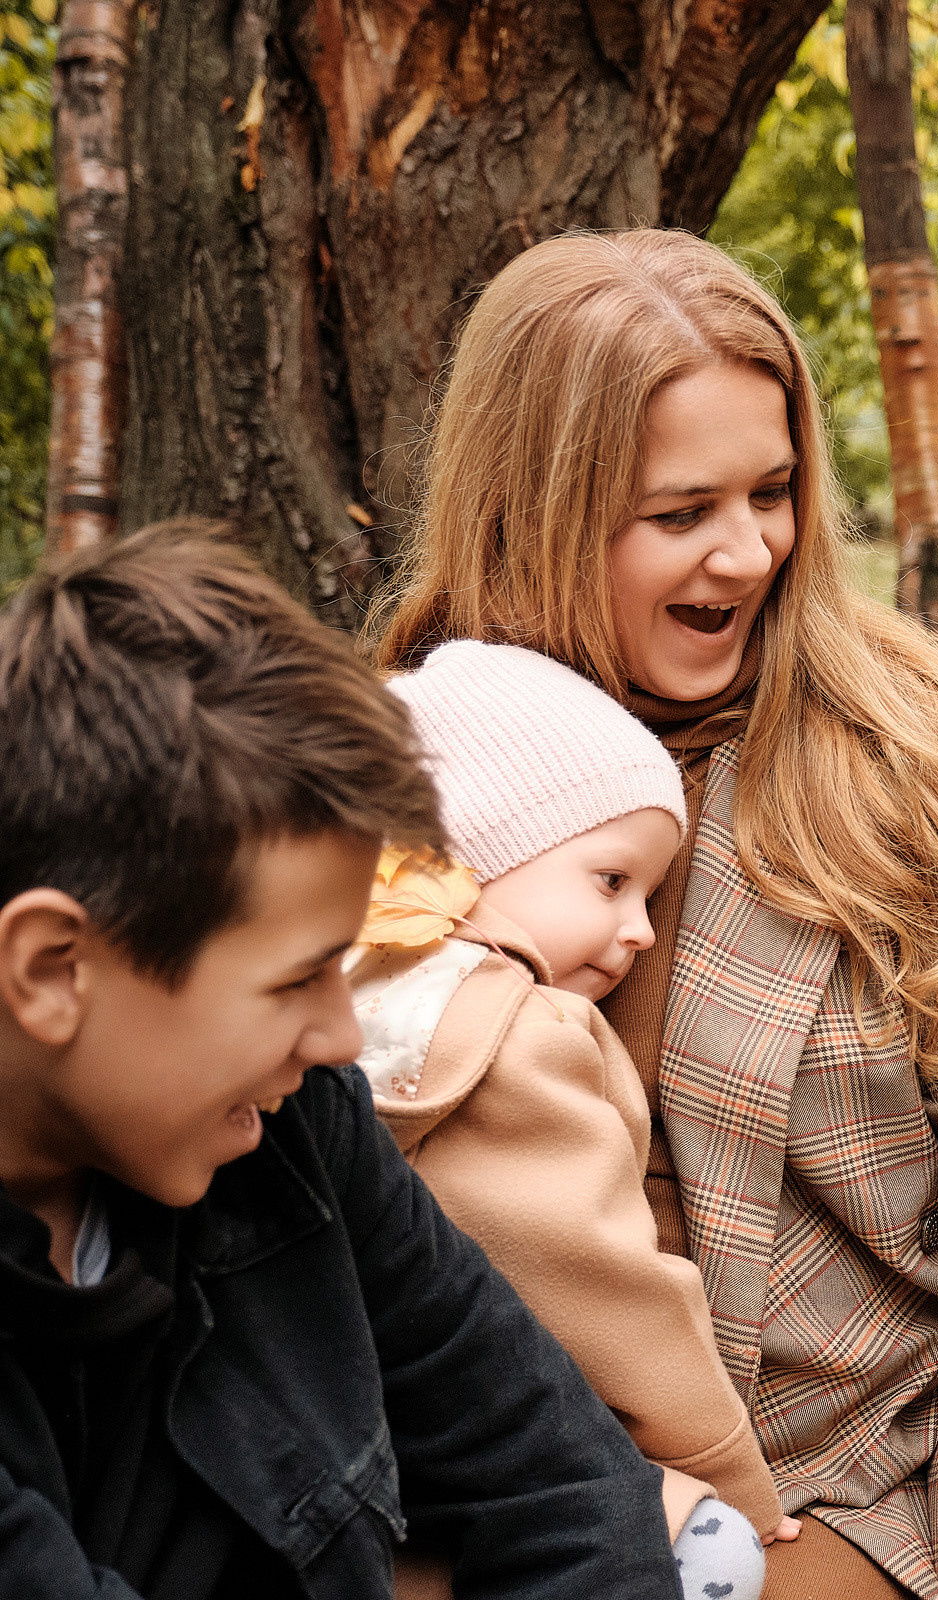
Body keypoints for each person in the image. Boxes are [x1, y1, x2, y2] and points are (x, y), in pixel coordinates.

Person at [366, 227, 938, 1600]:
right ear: (538, 506)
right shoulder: (394, 764)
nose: (751, 552)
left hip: (875, 1436)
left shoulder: (896, 729)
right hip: (523, 1461)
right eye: (681, 513)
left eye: (775, 491)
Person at [0, 523, 680, 1599]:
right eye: (295, 978)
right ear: (49, 970)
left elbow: (565, 1481)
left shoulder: (293, 1126)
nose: (342, 1038)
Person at [355, 638, 788, 1600]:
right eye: (610, 880)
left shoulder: (332, 996)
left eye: (650, 896)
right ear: (472, 848)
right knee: (719, 1554)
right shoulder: (524, 1033)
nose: (639, 928)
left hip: (361, 1444)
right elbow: (607, 1287)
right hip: (500, 1443)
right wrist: (726, 1471)